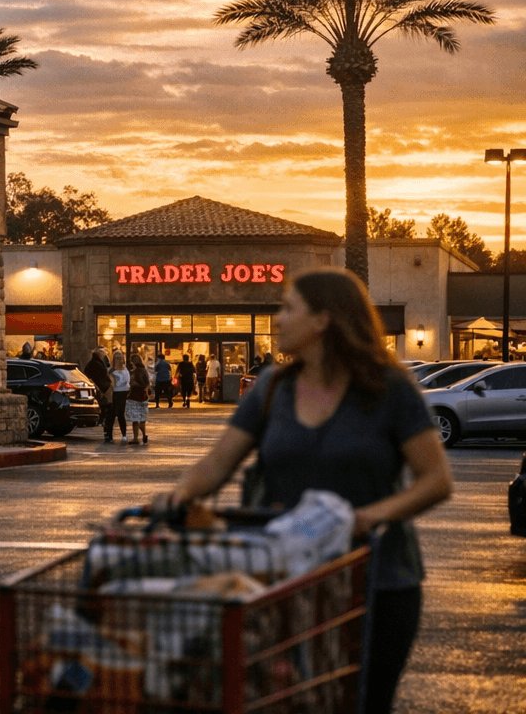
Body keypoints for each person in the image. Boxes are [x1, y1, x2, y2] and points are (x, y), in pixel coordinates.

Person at [154, 269, 452, 714]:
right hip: (286, 582)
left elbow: (435, 480)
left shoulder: (388, 389)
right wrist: (178, 496)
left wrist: (369, 518)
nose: (277, 320)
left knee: (361, 702)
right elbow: (217, 463)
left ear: (323, 320)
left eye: (289, 308)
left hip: (378, 583)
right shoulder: (273, 388)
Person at [85, 348, 114, 441]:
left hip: (102, 387)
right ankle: (102, 421)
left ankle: (102, 421)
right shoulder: (96, 364)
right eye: (103, 353)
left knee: (105, 405)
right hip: (101, 388)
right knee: (105, 405)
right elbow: (100, 376)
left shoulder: (95, 363)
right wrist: (105, 385)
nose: (105, 355)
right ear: (100, 355)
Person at [126, 354, 151, 443]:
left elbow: (131, 384)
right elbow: (147, 384)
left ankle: (135, 438)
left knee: (135, 419)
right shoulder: (144, 371)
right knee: (142, 418)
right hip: (143, 397)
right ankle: (144, 434)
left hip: (134, 396)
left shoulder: (133, 373)